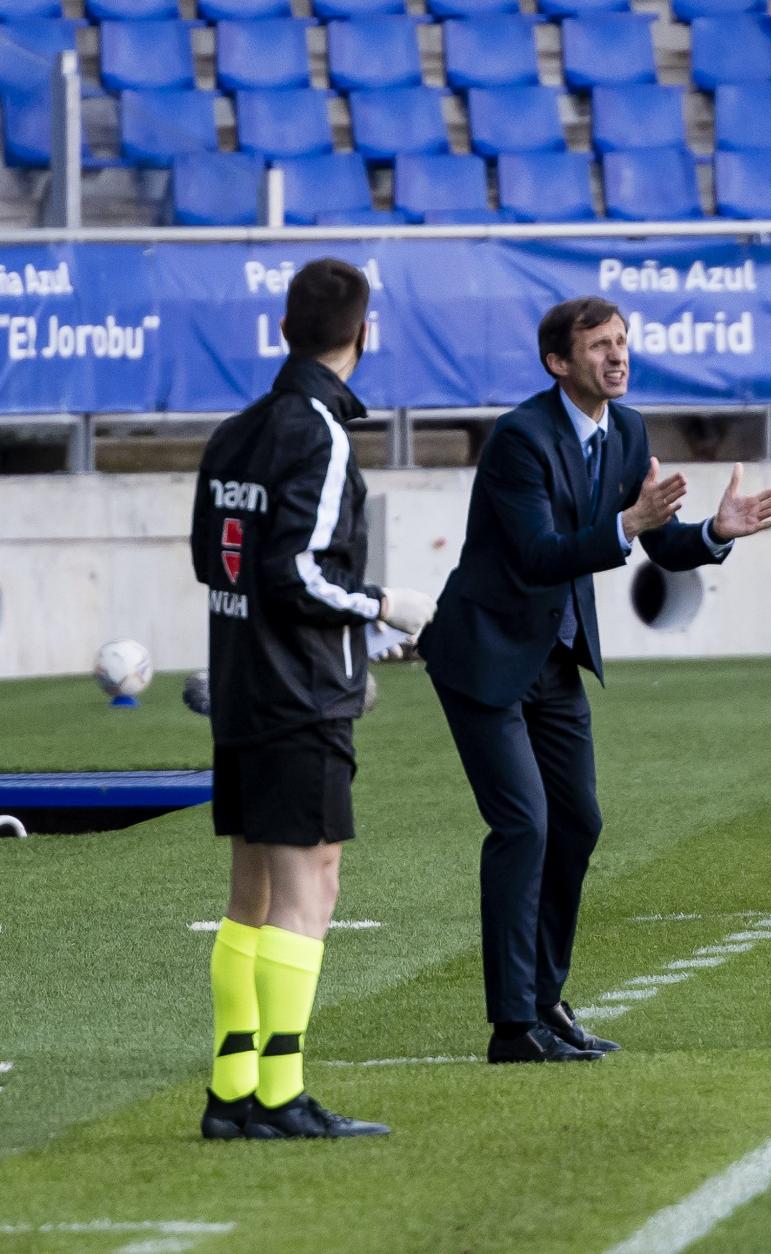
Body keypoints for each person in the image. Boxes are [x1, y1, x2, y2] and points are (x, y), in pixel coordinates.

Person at [418, 296, 771, 1062]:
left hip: (553, 659)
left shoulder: (626, 429)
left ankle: (544, 1001)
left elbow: (655, 544)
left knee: (578, 822)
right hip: (484, 657)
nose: (617, 356)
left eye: (622, 342)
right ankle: (511, 1026)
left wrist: (716, 533)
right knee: (525, 825)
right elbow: (539, 554)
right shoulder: (520, 439)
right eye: (598, 346)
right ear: (559, 362)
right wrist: (629, 524)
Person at [190, 258, 437, 1138]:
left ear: (286, 329)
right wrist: (382, 607)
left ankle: (233, 1091)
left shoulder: (234, 429)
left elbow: (215, 564)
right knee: (310, 885)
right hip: (299, 694)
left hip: (243, 687)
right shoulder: (320, 433)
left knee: (251, 890)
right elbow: (293, 569)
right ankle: (281, 1094)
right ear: (361, 335)